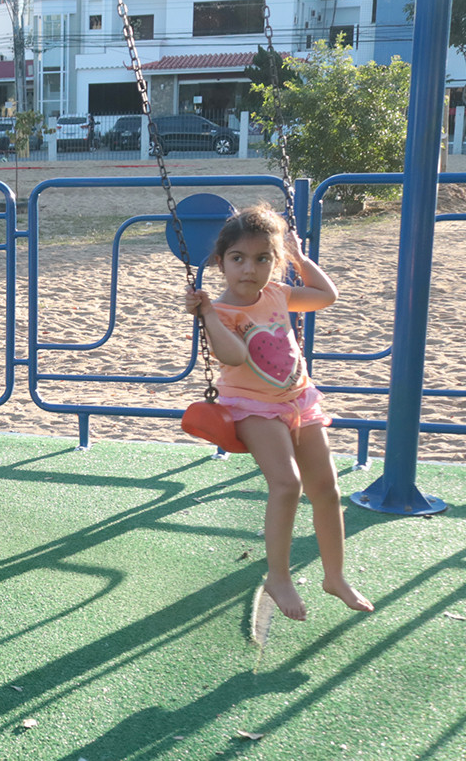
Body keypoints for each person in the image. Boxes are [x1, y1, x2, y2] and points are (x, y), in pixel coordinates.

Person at [183, 204, 373, 622]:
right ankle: (279, 576)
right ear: (221, 263)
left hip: (299, 400)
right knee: (287, 485)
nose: (249, 269)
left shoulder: (277, 294)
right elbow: (233, 355)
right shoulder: (221, 311)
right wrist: (208, 315)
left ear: (275, 262)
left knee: (327, 488)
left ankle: (334, 576)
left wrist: (301, 261)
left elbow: (327, 296)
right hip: (252, 409)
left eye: (262, 259)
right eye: (238, 259)